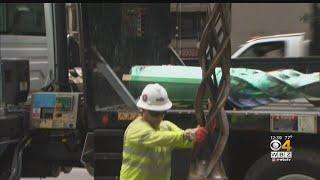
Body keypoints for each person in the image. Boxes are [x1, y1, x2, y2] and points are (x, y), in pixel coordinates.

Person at [120, 83, 208, 180]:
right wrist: (186, 135)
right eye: (155, 113)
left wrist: (195, 135)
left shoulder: (166, 126)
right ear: (143, 110)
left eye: (162, 113)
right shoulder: (136, 129)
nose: (159, 117)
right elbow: (157, 138)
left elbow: (185, 141)